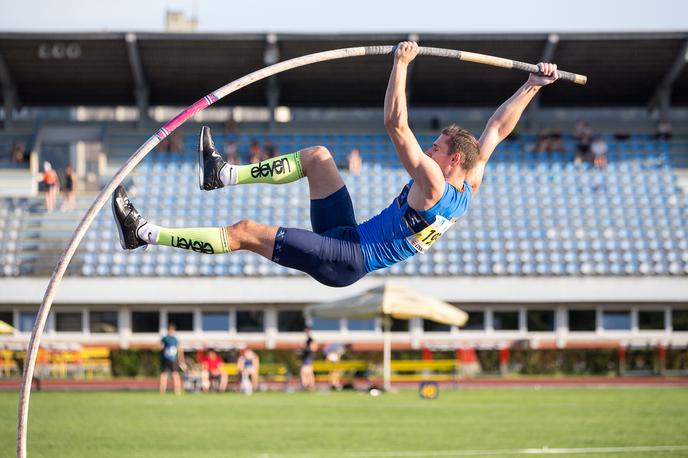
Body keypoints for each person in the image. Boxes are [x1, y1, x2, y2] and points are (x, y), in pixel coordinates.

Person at [112, 41, 560, 287]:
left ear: (453, 159)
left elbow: (395, 125)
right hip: (348, 235)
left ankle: (144, 234)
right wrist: (532, 85)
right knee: (318, 158)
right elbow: (498, 128)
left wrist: (402, 64)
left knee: (245, 231)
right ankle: (222, 174)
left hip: (347, 260)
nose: (429, 149)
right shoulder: (470, 181)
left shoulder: (434, 185)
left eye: (437, 147)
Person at [160, 323, 185, 395]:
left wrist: (181, 359)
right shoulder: (172, 339)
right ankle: (176, 391)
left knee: (172, 375)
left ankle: (166, 391)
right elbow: (179, 349)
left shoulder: (167, 339)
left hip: (171, 359)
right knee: (167, 375)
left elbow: (161, 348)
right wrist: (181, 359)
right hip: (170, 359)